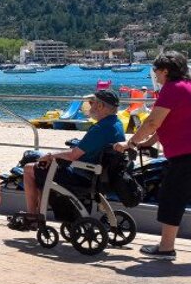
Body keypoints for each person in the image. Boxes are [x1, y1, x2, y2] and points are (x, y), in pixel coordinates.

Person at [115, 51, 191, 260]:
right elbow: (171, 122)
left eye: (156, 70)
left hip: (184, 156)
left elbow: (152, 122)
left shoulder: (172, 89)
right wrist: (148, 142)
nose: (155, 75)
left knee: (171, 199)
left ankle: (166, 248)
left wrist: (130, 142)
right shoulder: (187, 88)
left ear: (165, 71)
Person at [23, 88, 125, 219]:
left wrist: (49, 156)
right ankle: (39, 209)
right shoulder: (117, 124)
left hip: (84, 175)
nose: (90, 106)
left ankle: (32, 215)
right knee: (43, 166)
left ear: (100, 106)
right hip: (100, 174)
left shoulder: (100, 129)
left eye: (91, 102)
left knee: (29, 169)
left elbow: (73, 155)